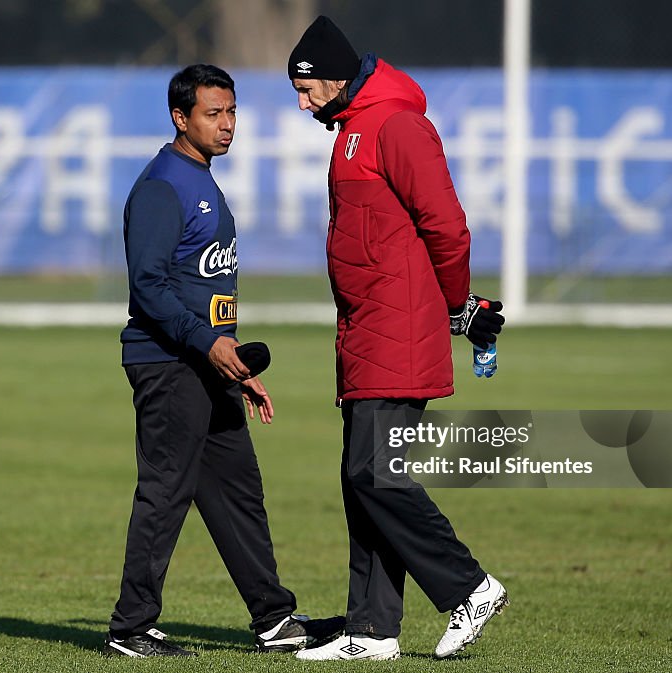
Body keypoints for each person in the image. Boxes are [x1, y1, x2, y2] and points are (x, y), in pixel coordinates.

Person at [284, 17, 509, 661]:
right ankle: (371, 630)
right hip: (365, 328)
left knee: (375, 473)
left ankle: (469, 587)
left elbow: (448, 226)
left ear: (333, 76)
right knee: (364, 481)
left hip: (399, 326)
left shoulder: (398, 126)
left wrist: (459, 305)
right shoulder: (353, 129)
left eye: (304, 88)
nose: (300, 103)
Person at [107, 64, 343, 658]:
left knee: (238, 490)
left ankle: (273, 619)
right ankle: (131, 628)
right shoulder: (164, 183)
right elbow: (149, 286)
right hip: (167, 362)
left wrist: (231, 360)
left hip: (208, 364)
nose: (227, 124)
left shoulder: (202, 179)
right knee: (166, 490)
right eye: (213, 114)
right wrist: (207, 343)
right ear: (180, 118)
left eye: (232, 111)